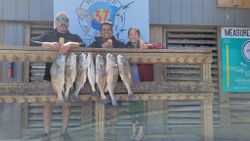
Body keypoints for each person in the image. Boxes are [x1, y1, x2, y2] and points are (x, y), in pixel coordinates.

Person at [31, 11, 85, 141]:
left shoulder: (73, 36)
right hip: (50, 76)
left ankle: (64, 133)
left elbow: (83, 44)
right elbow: (32, 42)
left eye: (65, 20)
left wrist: (70, 44)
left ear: (68, 23)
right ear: (56, 22)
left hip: (68, 78)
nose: (63, 22)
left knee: (67, 104)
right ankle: (46, 134)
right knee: (48, 104)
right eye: (60, 19)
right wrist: (49, 44)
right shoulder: (48, 35)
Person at [127, 27, 146, 141]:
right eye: (130, 34)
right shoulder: (125, 47)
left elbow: (159, 46)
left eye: (135, 34)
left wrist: (148, 47)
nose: (133, 36)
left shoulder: (144, 45)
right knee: (132, 107)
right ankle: (134, 130)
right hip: (130, 83)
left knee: (141, 107)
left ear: (139, 35)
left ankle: (141, 132)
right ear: (128, 36)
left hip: (142, 82)